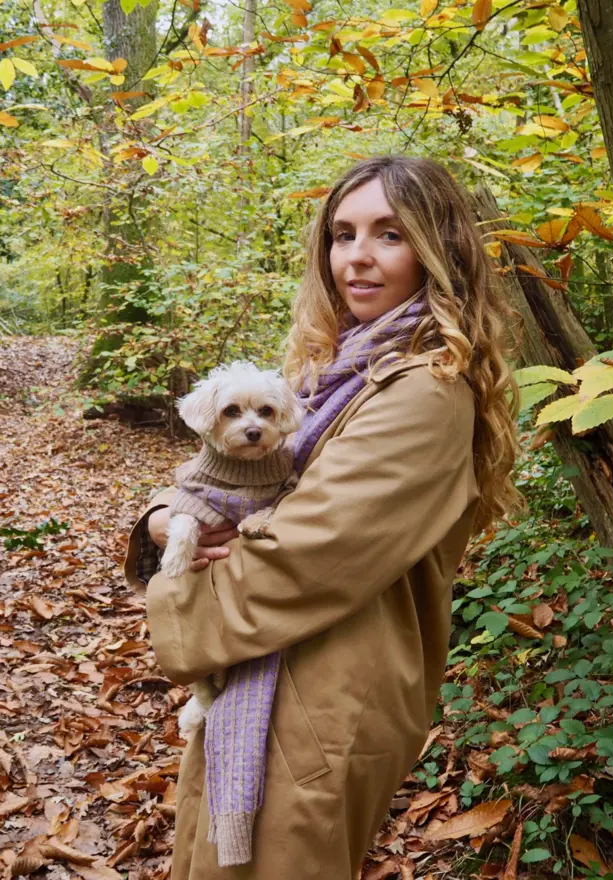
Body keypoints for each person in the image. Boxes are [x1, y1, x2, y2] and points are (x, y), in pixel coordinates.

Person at [124, 156, 523, 880]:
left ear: (439, 252)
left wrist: (172, 602)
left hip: (328, 693)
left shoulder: (423, 393)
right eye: (343, 234)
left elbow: (301, 555)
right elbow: (234, 477)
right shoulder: (334, 371)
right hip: (271, 670)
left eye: (389, 235)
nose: (357, 258)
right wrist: (158, 518)